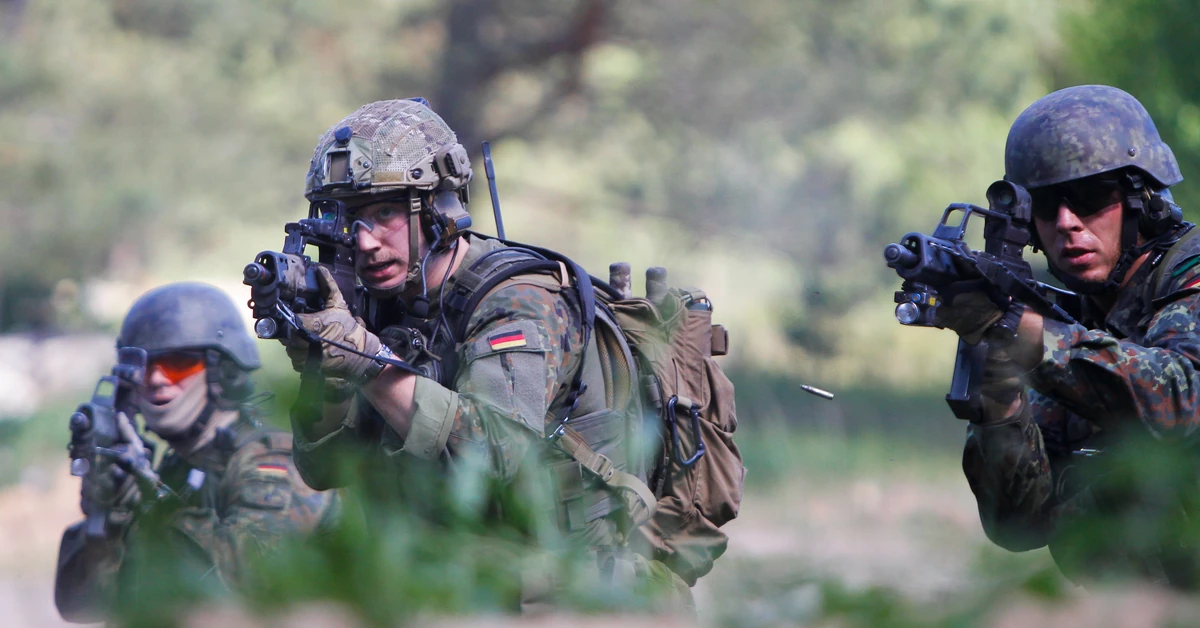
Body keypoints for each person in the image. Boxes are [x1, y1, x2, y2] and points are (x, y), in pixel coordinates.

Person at [280, 98, 692, 609]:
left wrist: (366, 361)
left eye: (385, 212)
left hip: (565, 596)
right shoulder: (382, 305)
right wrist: (327, 367)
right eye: (348, 218)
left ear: (438, 208)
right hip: (448, 585)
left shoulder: (517, 301)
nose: (364, 242)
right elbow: (322, 468)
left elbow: (499, 454)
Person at [936, 84, 1200, 586]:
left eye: (1089, 198)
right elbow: (1019, 523)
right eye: (1046, 204)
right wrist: (1000, 396)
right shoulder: (1070, 320)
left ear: (1140, 198)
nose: (1066, 222)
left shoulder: (1189, 274)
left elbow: (1180, 401)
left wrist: (1025, 333)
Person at [55, 282, 339, 622]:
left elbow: (246, 574)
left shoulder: (274, 460)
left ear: (222, 369)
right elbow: (80, 605)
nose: (158, 379)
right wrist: (108, 515)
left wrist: (153, 503)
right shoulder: (174, 471)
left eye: (178, 364)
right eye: (143, 368)